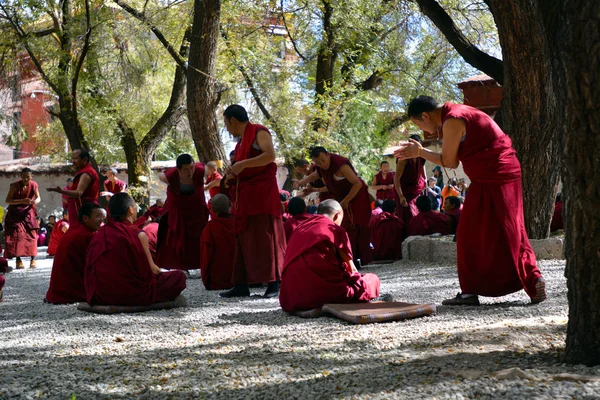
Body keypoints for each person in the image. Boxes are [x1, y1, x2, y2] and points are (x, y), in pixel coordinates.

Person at [395, 95, 546, 305]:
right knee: (485, 231)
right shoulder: (458, 112)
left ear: (425, 115)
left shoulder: (452, 120)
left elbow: (449, 161)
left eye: (418, 123)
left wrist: (420, 152)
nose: (420, 128)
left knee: (508, 229)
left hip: (496, 174)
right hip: (491, 175)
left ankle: (531, 278)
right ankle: (474, 291)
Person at [219, 105, 286, 298]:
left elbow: (270, 156)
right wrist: (233, 175)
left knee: (266, 236)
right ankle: (241, 283)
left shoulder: (259, 131)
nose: (227, 128)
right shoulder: (240, 144)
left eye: (226, 123)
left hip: (262, 194)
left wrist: (243, 164)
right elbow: (242, 169)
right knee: (243, 237)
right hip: (246, 195)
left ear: (233, 120)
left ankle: (274, 283)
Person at [85, 193, 186, 306]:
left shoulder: (100, 234)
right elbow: (152, 270)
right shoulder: (137, 234)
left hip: (100, 294)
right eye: (135, 207)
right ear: (130, 210)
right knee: (179, 277)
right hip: (128, 293)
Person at [279, 199, 380, 312]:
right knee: (372, 279)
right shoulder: (334, 229)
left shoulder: (300, 228)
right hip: (323, 293)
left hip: (291, 296)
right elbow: (352, 269)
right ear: (337, 215)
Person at [294, 146, 372, 266]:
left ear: (328, 155)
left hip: (356, 197)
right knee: (343, 228)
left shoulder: (341, 165)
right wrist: (301, 182)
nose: (322, 164)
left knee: (356, 226)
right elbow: (315, 175)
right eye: (318, 162)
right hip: (341, 198)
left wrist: (346, 201)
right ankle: (347, 259)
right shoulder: (321, 168)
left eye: (323, 160)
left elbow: (357, 184)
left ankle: (356, 259)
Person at [156, 154, 209, 271]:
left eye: (192, 167)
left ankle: (201, 265)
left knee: (199, 238)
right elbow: (160, 175)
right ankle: (178, 267)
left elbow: (211, 167)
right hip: (178, 213)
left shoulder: (201, 171)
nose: (190, 172)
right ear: (178, 169)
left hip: (197, 212)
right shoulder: (169, 177)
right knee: (176, 238)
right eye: (186, 169)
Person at [45, 203, 106, 304]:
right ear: (85, 218)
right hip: (72, 290)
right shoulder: (84, 234)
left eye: (102, 217)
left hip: (59, 288)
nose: (101, 220)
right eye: (97, 216)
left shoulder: (76, 228)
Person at [47, 149, 99, 229]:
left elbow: (79, 193)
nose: (73, 161)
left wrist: (60, 191)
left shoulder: (87, 173)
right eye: (72, 158)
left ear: (85, 159)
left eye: (76, 159)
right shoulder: (84, 171)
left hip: (84, 211)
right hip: (80, 210)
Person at [4, 168, 40, 269]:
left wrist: (33, 202)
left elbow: (38, 198)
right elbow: (8, 200)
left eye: (28, 177)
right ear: (21, 176)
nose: (26, 179)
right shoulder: (15, 186)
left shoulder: (34, 185)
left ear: (31, 177)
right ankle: (18, 260)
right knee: (18, 236)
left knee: (32, 234)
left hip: (28, 213)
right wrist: (22, 201)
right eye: (24, 177)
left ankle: (33, 259)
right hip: (15, 214)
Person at [199, 194, 235, 290]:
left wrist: (206, 278)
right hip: (240, 277)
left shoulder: (210, 228)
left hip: (218, 279)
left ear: (213, 210)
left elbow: (206, 255)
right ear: (230, 205)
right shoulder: (238, 224)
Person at [394, 134, 427, 225]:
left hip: (415, 189)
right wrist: (401, 196)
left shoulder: (422, 155)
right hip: (404, 190)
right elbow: (396, 178)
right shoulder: (404, 158)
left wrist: (425, 181)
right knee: (408, 215)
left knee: (418, 215)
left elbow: (422, 170)